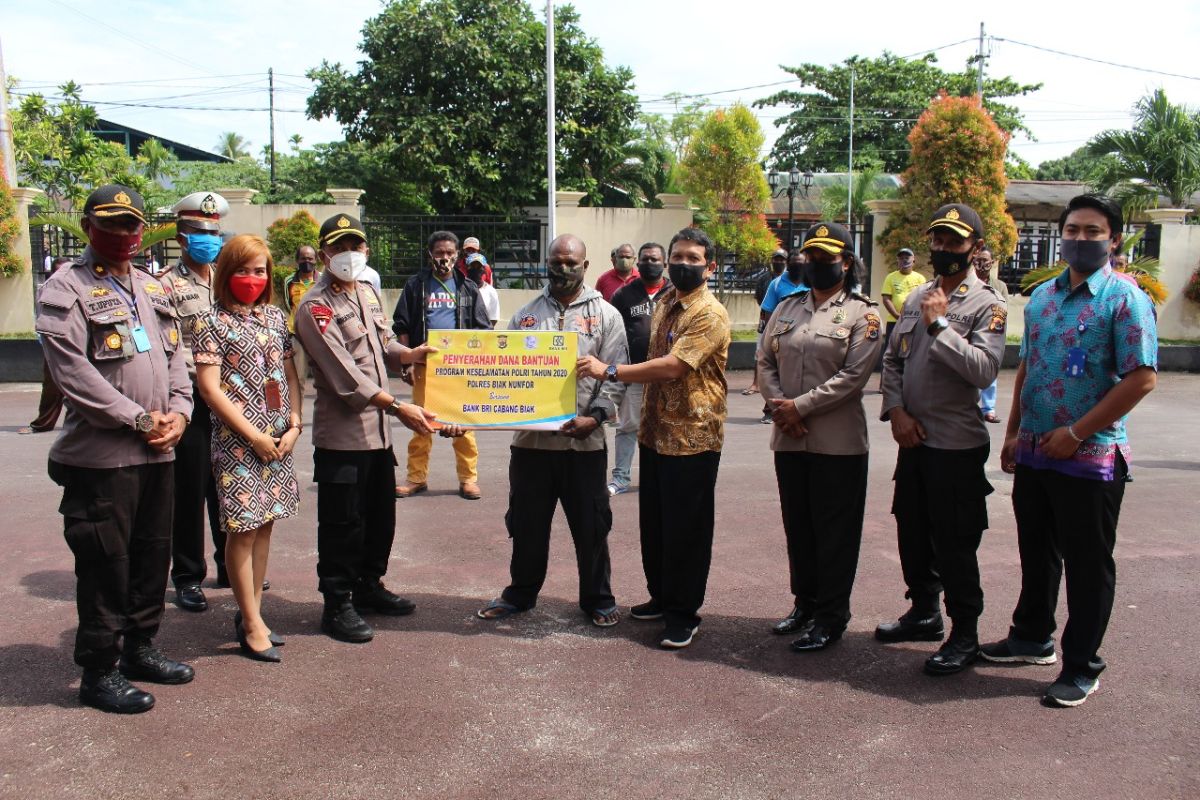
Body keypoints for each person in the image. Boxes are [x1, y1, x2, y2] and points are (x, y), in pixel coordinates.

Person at [983, 194, 1158, 708]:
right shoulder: (1042, 299)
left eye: (1093, 231)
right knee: (1037, 553)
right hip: (1036, 451)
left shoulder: (1125, 299)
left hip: (1091, 457)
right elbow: (1030, 369)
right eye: (1073, 230)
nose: (1081, 239)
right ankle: (1031, 636)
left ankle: (1082, 665)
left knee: (1087, 564)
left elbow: (1142, 378)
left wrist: (1078, 432)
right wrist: (1014, 432)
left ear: (1115, 239)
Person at [36, 185, 194, 713]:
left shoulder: (153, 289)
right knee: (106, 566)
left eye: (132, 224)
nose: (125, 234)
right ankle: (99, 671)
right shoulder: (66, 288)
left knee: (153, 556)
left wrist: (180, 413)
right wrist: (139, 418)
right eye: (112, 224)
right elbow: (72, 373)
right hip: (103, 459)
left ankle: (140, 648)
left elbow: (177, 359)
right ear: (87, 227)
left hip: (159, 452)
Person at [294, 213, 449, 643]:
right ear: (324, 252)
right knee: (344, 524)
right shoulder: (315, 305)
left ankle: (368, 586)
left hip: (378, 436)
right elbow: (346, 377)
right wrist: (400, 408)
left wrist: (412, 353)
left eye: (355, 245)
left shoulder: (366, 293)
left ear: (366, 250)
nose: (348, 253)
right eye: (339, 246)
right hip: (344, 438)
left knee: (380, 519)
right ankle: (337, 602)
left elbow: (382, 346)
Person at [578, 227, 731, 649]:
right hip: (656, 431)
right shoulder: (666, 301)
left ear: (710, 267)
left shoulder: (710, 313)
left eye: (693, 258)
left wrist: (609, 370)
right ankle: (662, 597)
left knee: (687, 530)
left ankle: (684, 614)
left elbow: (672, 367)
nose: (683, 264)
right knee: (657, 525)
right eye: (677, 256)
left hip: (693, 438)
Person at [876, 203, 1006, 676]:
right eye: (938, 240)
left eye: (954, 242)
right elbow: (892, 361)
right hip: (913, 439)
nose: (943, 249)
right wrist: (896, 411)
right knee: (911, 529)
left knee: (954, 542)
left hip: (956, 444)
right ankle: (924, 612)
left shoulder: (986, 305)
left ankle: (964, 633)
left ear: (974, 247)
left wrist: (940, 325)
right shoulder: (916, 297)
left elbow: (984, 369)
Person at [476, 233, 627, 627]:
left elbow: (615, 378)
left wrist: (595, 417)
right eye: (555, 262)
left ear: (585, 266)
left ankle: (598, 598)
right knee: (526, 525)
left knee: (592, 526)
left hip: (586, 444)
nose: (562, 269)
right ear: (546, 263)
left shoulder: (607, 316)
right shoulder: (525, 315)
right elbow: (503, 376)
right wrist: (468, 412)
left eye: (570, 263)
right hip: (531, 445)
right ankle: (520, 594)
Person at [759, 223, 882, 651]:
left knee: (835, 532)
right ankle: (804, 604)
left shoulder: (863, 315)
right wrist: (780, 407)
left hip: (838, 444)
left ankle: (831, 615)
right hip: (789, 438)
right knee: (799, 527)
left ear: (845, 263)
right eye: (810, 256)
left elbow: (853, 377)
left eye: (824, 257)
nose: (814, 263)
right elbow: (764, 360)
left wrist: (800, 407)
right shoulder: (787, 308)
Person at [194, 235, 302, 663]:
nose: (253, 279)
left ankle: (252, 611)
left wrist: (294, 424)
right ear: (226, 273)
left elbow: (291, 374)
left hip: (279, 439)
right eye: (243, 270)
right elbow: (209, 387)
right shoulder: (210, 321)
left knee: (266, 526)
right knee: (241, 530)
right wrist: (252, 435)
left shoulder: (275, 318)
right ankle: (251, 621)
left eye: (260, 271)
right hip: (240, 444)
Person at [159, 191, 231, 610]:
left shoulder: (226, 278)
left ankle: (230, 562)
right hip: (190, 397)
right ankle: (187, 576)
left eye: (214, 233)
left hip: (230, 396)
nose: (209, 240)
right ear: (182, 237)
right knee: (188, 490)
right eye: (200, 232)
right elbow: (168, 347)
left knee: (228, 485)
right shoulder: (165, 285)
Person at [391, 230, 491, 500]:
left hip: (459, 370)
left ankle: (468, 479)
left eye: (449, 253)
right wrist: (408, 360)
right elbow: (402, 324)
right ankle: (416, 478)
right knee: (421, 424)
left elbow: (481, 329)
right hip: (425, 366)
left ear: (457, 255)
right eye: (439, 253)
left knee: (463, 426)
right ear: (430, 255)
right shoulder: (416, 285)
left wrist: (476, 366)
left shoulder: (468, 287)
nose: (444, 258)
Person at [606, 242, 669, 496]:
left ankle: (661, 479)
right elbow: (614, 334)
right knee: (628, 427)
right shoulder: (624, 295)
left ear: (664, 264)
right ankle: (621, 478)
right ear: (637, 263)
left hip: (667, 376)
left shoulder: (675, 292)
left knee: (665, 428)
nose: (650, 263)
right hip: (635, 373)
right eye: (645, 259)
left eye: (655, 259)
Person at [21, 256, 73, 435]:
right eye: (59, 271)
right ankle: (43, 423)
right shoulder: (45, 289)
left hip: (81, 342)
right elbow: (41, 316)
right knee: (51, 386)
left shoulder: (81, 288)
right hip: (55, 343)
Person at [757, 250, 808, 422]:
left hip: (803, 335)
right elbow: (768, 310)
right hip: (780, 335)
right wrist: (771, 335)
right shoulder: (777, 284)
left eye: (801, 262)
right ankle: (771, 410)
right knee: (774, 372)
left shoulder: (811, 283)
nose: (797, 265)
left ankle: (798, 408)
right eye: (794, 262)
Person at [972, 246, 1009, 423]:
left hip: (991, 333)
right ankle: (969, 406)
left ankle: (988, 409)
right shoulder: (968, 283)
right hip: (971, 332)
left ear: (992, 263)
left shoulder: (1000, 286)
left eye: (985, 261)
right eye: (978, 261)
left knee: (990, 370)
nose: (981, 265)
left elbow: (1003, 311)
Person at [744, 248, 788, 396]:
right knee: (760, 352)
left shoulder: (790, 279)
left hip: (785, 322)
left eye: (781, 259)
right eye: (776, 259)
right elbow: (759, 298)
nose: (778, 262)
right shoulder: (764, 279)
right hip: (765, 320)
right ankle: (756, 383)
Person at [283, 244, 321, 384]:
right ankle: (297, 406)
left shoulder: (323, 281)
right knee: (297, 378)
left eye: (310, 258)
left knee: (326, 377)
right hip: (297, 335)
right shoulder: (289, 281)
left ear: (316, 260)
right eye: (303, 258)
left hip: (320, 333)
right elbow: (289, 304)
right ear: (297, 261)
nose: (307, 262)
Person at [465, 252, 501, 327]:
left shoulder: (491, 291)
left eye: (478, 267)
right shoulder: (460, 288)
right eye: (472, 266)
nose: (475, 269)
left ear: (484, 269)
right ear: (467, 268)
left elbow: (493, 318)